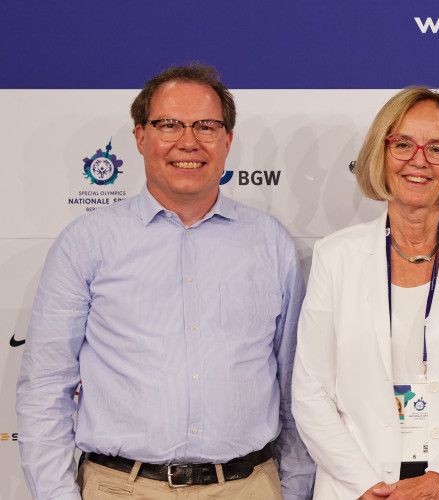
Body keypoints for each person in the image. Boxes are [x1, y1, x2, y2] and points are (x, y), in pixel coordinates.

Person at [15, 63, 314, 499]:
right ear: (140, 136)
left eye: (207, 126)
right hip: (120, 488)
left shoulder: (270, 244)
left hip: (248, 488)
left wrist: (294, 489)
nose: (188, 141)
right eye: (169, 124)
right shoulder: (87, 243)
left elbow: (295, 388)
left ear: (228, 139)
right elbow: (45, 387)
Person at [291, 87, 439, 500]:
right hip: (360, 488)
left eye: (436, 148)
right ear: (380, 154)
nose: (419, 160)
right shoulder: (335, 256)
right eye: (403, 144)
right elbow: (310, 393)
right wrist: (365, 484)